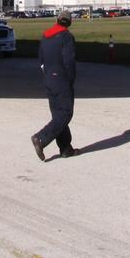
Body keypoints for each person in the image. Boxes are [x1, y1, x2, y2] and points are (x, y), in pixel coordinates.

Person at [31, 11, 77, 161]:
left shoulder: (46, 36)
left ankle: (65, 148)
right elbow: (68, 62)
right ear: (69, 23)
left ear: (57, 20)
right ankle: (41, 138)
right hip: (61, 79)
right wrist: (69, 81)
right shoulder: (66, 37)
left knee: (58, 114)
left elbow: (41, 59)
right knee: (65, 112)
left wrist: (48, 74)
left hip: (49, 78)